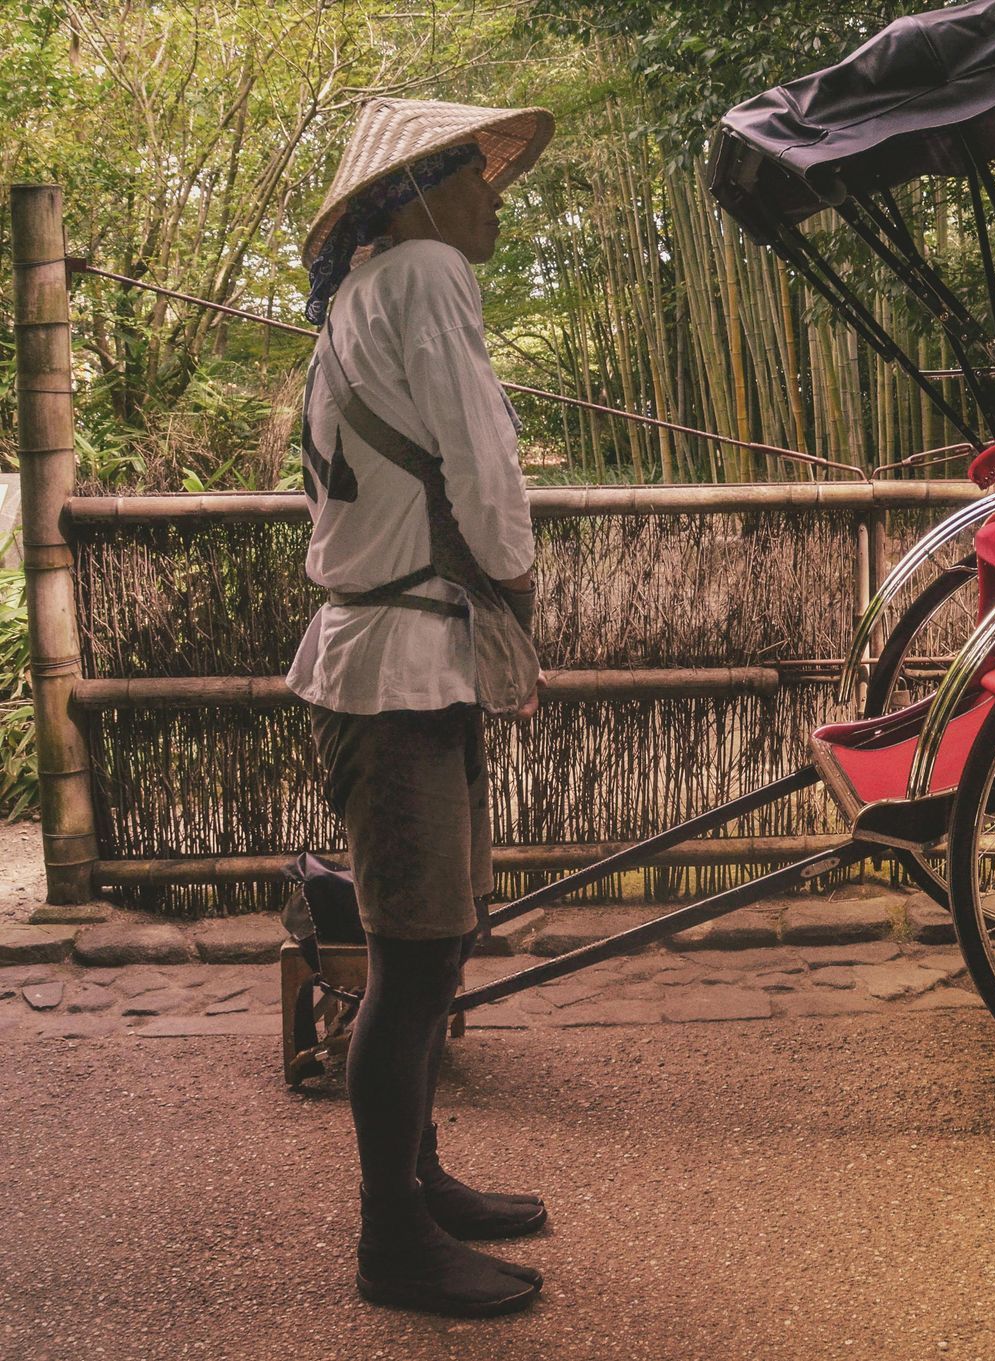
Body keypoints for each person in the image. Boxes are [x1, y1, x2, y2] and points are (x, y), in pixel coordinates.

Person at [291, 98, 555, 1319]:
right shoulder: (428, 274)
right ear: (416, 195)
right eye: (473, 177)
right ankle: (390, 1239)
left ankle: (420, 1175)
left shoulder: (365, 294)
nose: (493, 197)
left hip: (405, 657)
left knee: (433, 943)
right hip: (400, 668)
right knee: (408, 964)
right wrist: (520, 584)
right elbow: (482, 469)